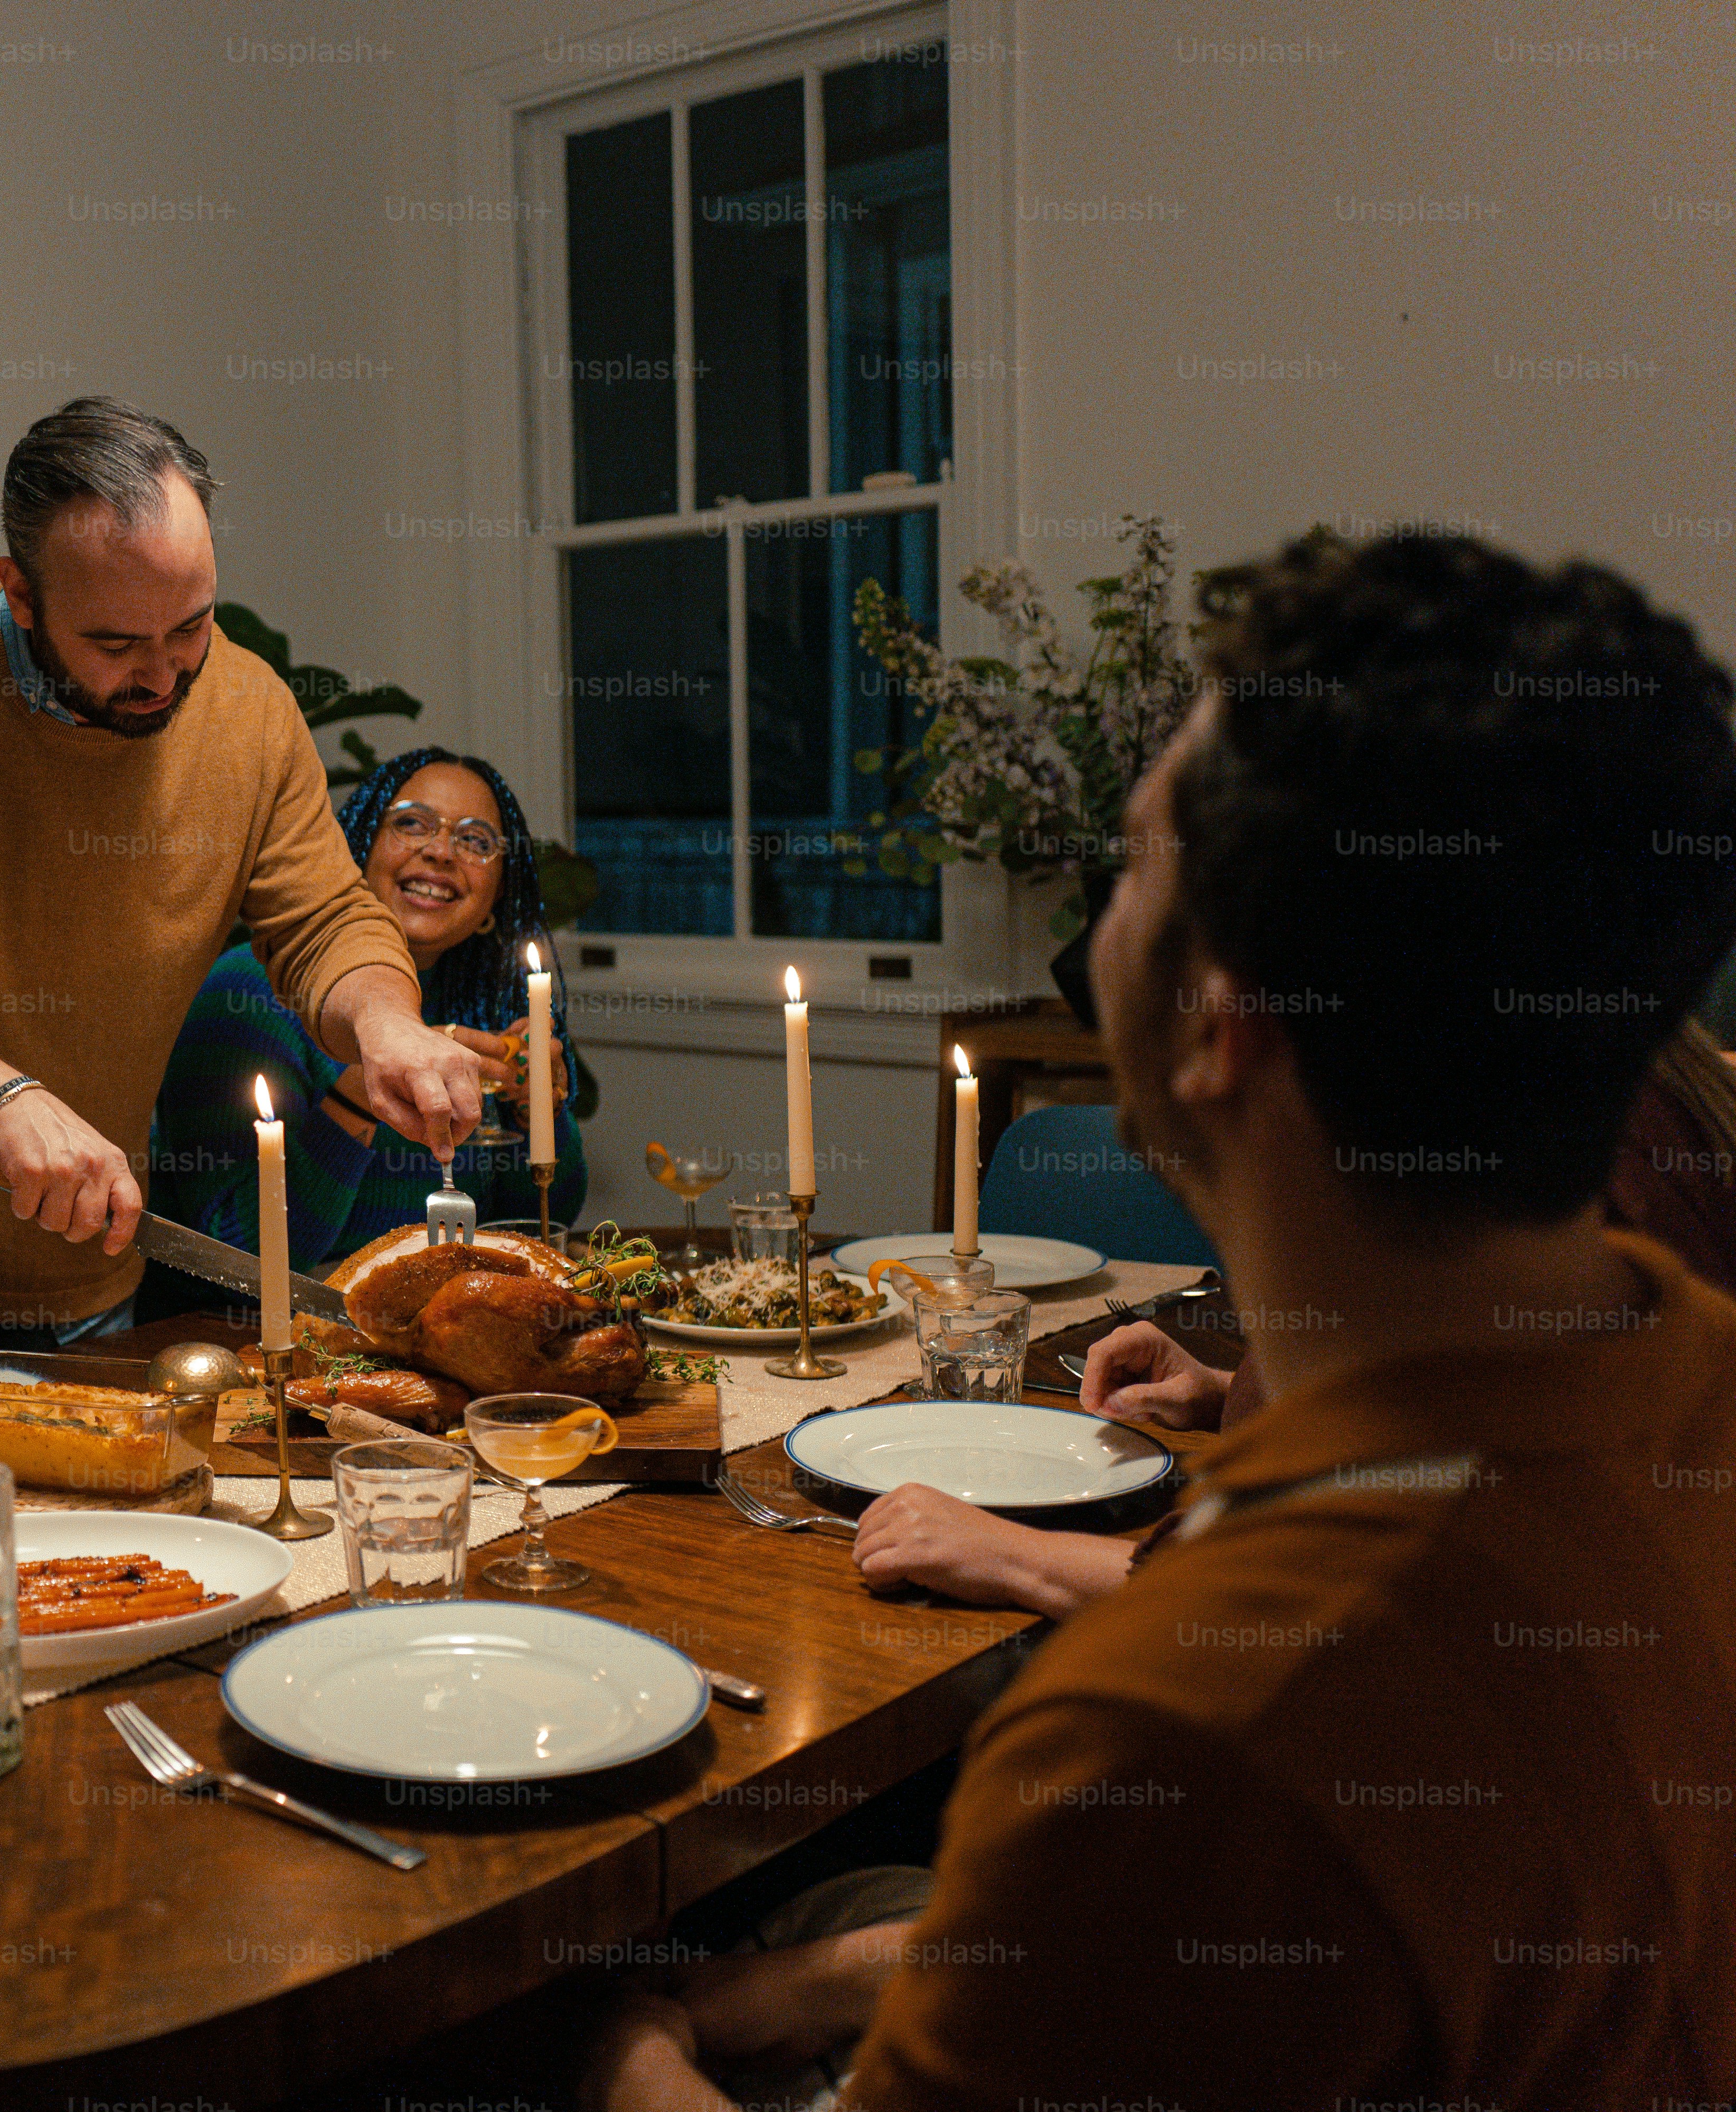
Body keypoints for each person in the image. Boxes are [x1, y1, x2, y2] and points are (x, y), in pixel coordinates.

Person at [588, 531, 1736, 2109]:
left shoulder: (1186, 1729)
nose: (1090, 930)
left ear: (1223, 1029)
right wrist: (813, 1984)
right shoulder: (1677, 1376)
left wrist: (613, 2062)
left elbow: (1183, 1861)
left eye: (1128, 866)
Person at [0, 397, 486, 1366]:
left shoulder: (248, 707)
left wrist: (384, 1024)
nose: (164, 674)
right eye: (115, 645)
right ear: (21, 595)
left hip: (94, 1291)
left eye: (191, 626)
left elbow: (325, 921)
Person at [854, 1013, 1736, 1615]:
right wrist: (1234, 1393)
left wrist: (1007, 1554)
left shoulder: (1548, 1171)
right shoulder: (1634, 1081)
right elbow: (1441, 1421)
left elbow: (1362, 1589)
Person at [148, 746, 588, 1279]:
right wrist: (368, 1083)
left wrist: (536, 1110)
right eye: (412, 823)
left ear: (496, 900)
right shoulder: (252, 991)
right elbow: (236, 1262)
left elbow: (544, 1225)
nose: (442, 851)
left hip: (431, 1325)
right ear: (357, 849)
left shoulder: (491, 1003)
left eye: (475, 841)